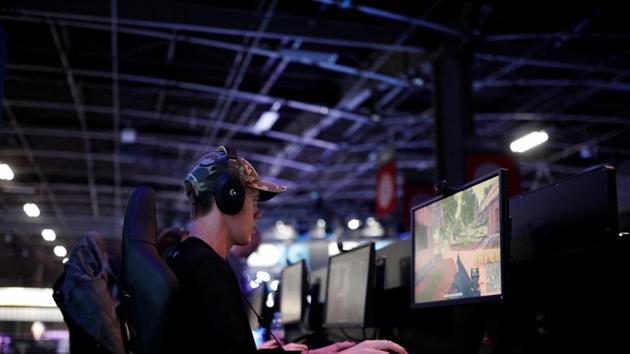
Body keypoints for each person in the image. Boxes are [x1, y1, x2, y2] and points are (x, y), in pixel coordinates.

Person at [161, 146, 407, 354]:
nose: (258, 213)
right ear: (230, 197)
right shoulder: (206, 271)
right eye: (254, 201)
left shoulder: (190, 259)